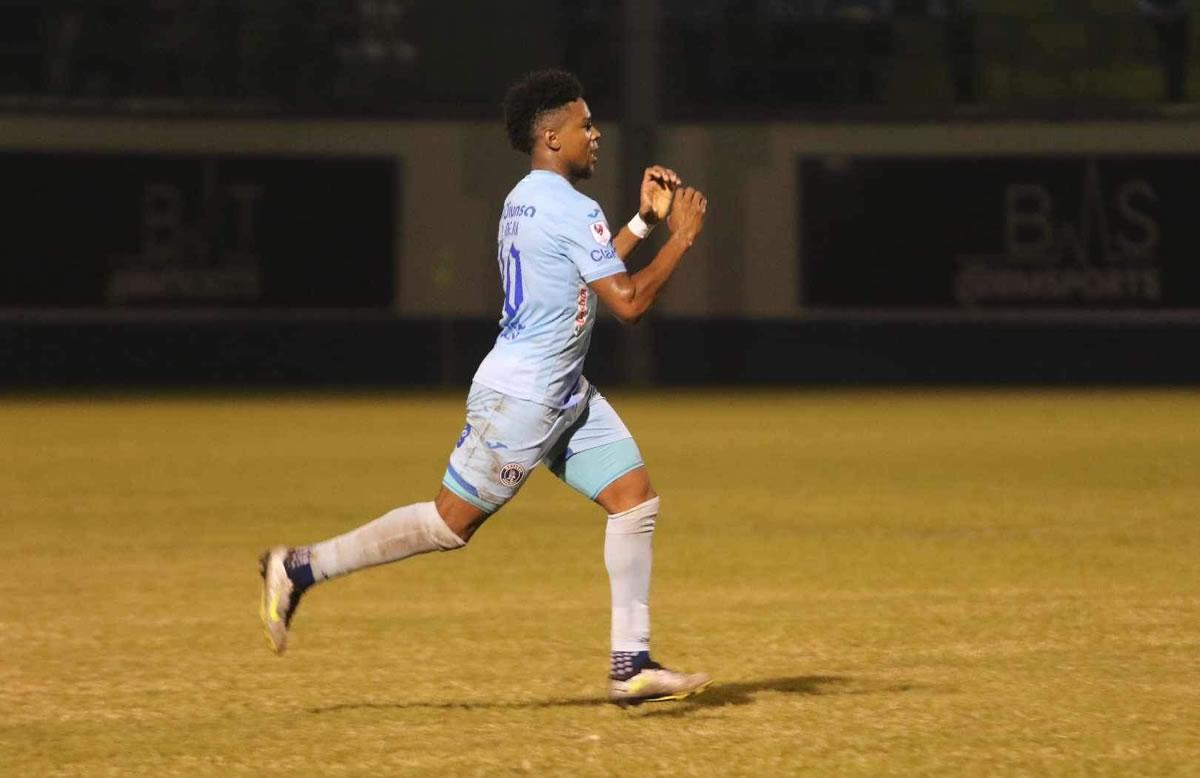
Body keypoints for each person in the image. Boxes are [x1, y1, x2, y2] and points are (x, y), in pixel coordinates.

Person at [259, 69, 711, 706]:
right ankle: (300, 567)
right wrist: (681, 240)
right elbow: (628, 303)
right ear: (552, 136)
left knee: (633, 498)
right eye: (584, 125)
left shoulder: (524, 198)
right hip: (523, 399)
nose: (595, 134)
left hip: (562, 393)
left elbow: (585, 270)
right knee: (450, 526)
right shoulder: (572, 208)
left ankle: (630, 664)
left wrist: (641, 222)